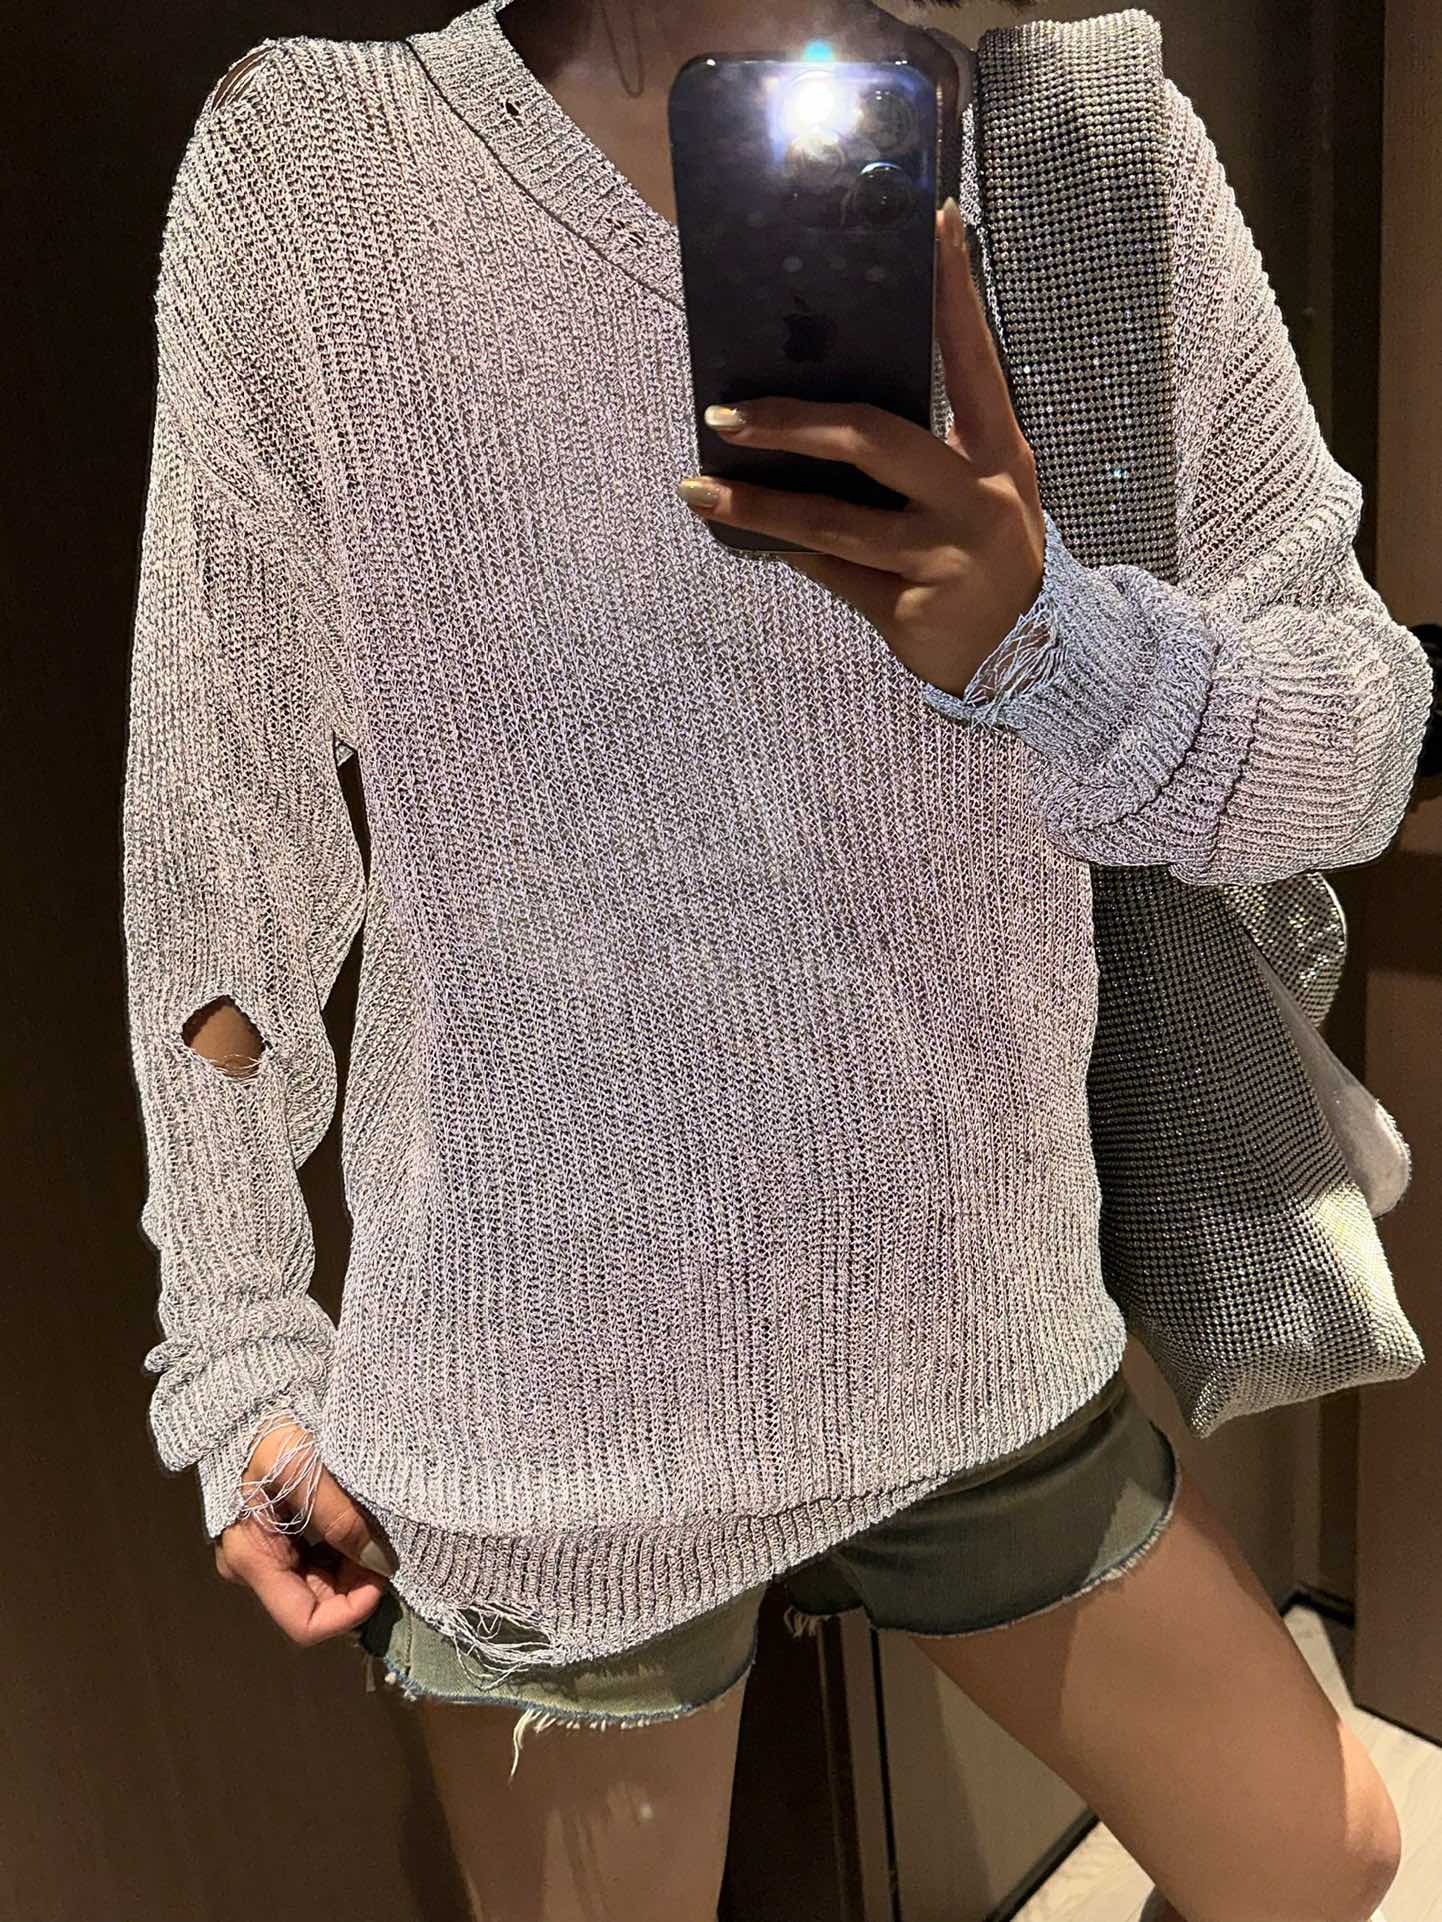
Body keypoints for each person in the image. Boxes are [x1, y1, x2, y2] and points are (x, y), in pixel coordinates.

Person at [122, 2, 1425, 1918]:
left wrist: (1052, 645)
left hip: (977, 1322)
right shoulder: (318, 167)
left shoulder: (1078, 151)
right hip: (538, 1402)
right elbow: (220, 818)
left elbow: (1359, 740)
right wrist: (236, 1330)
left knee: (1323, 1861)